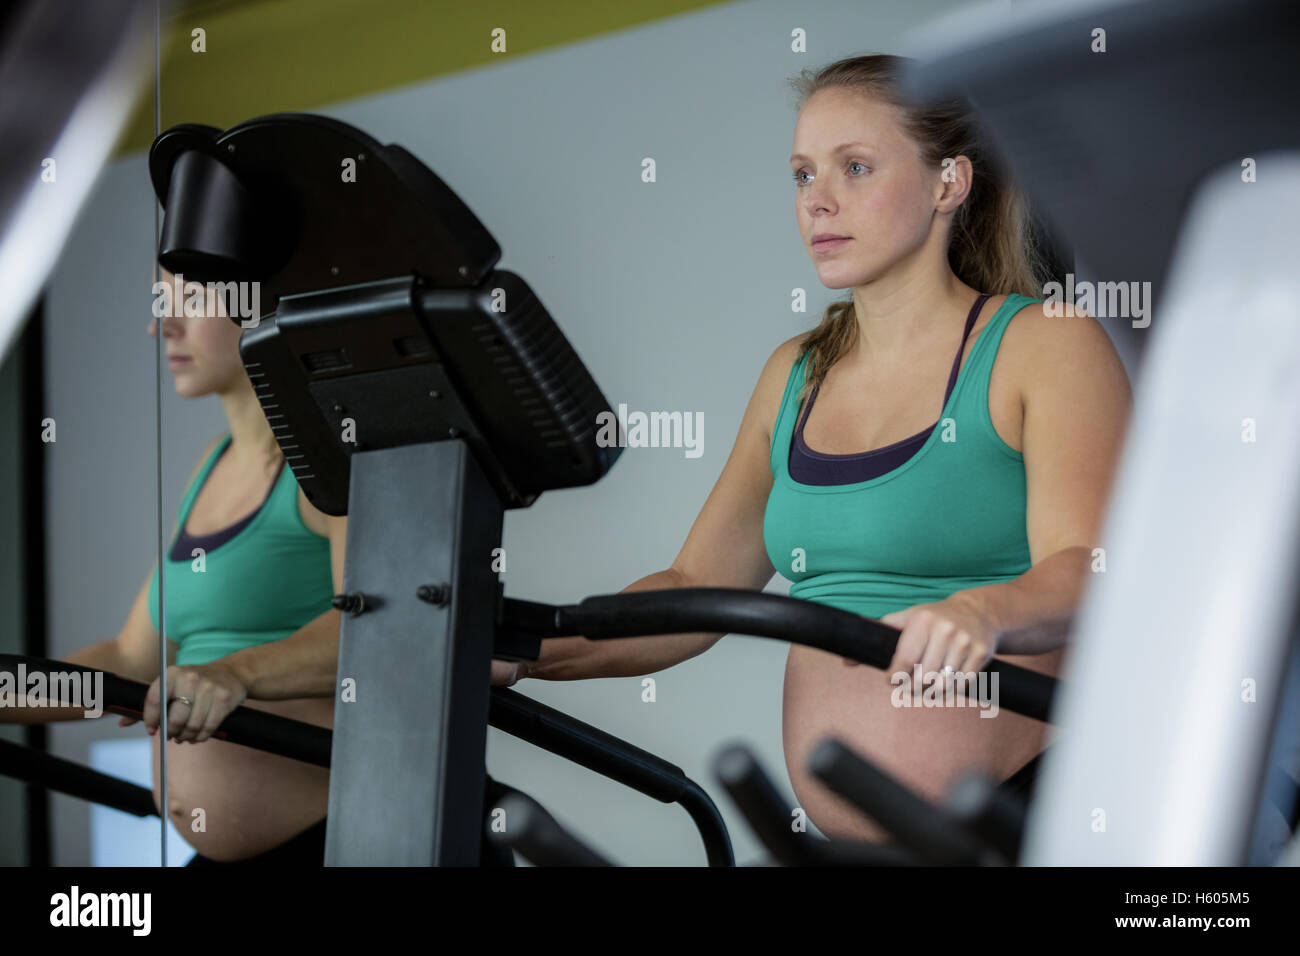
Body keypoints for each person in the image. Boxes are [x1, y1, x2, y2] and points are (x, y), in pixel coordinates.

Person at [491, 53, 1132, 844]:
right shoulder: (795, 374)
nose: (817, 201)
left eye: (854, 167)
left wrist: (982, 611)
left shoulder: (1043, 343)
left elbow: (1092, 569)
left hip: (1037, 812)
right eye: (803, 175)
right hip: (868, 847)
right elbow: (690, 593)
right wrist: (522, 650)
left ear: (949, 184)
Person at [2, 266, 347, 864]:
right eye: (162, 301)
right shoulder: (213, 464)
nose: (162, 324)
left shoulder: (333, 462)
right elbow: (132, 660)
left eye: (193, 298)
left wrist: (234, 673)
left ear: (266, 303)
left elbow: (381, 633)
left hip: (336, 841)